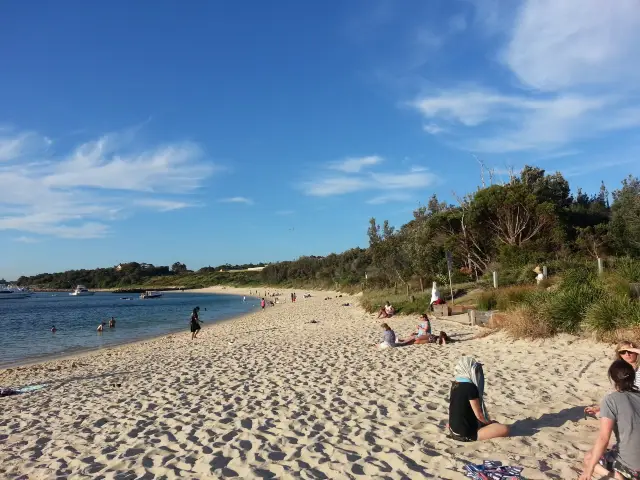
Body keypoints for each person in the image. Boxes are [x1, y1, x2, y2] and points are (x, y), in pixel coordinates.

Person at [579, 360, 640, 480]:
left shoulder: (611, 399)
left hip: (633, 467)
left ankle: (616, 475)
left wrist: (588, 470)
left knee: (588, 457)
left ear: (612, 379)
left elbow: (603, 438)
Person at [448, 356, 509, 442]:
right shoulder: (470, 387)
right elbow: (479, 415)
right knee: (504, 429)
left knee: (493, 424)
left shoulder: (454, 385)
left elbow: (452, 408)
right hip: (467, 434)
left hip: (453, 430)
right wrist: (489, 423)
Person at [585, 341, 640, 417]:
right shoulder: (618, 370)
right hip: (627, 400)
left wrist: (636, 350)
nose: (627, 354)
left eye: (630, 351)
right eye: (623, 352)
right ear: (619, 355)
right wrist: (601, 407)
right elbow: (616, 390)